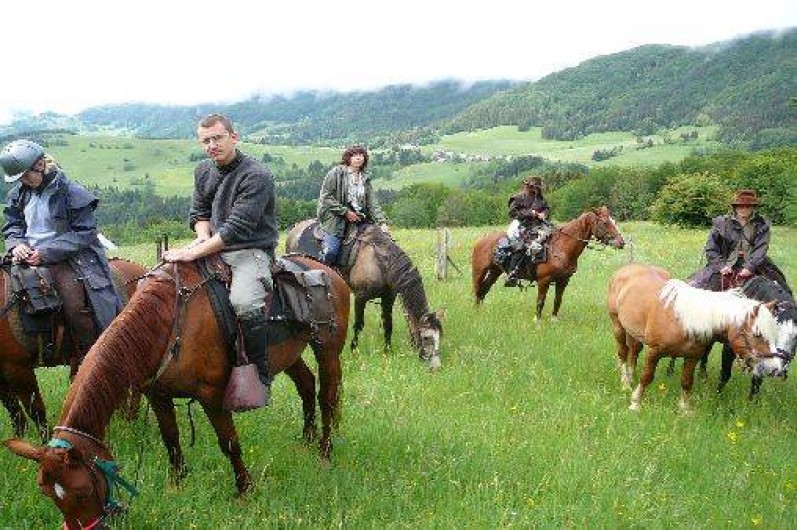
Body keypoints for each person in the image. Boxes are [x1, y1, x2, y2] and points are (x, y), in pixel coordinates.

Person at [162, 114, 278, 404]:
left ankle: (260, 372)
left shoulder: (256, 175)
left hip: (249, 248)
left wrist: (192, 252)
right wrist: (201, 237)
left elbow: (237, 229)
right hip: (212, 244)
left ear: (233, 137)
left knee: (244, 301)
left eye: (217, 138)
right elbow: (199, 213)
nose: (212, 146)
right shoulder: (203, 171)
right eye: (206, 141)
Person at [0, 139, 123, 373]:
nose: (23, 182)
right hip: (28, 254)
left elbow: (84, 232)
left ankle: (89, 360)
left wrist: (45, 253)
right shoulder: (20, 193)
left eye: (25, 176)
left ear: (39, 165)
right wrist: (17, 245)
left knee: (74, 306)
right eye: (19, 178)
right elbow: (13, 225)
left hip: (67, 257)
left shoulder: (71, 192)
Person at [688, 189, 791, 294]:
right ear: (735, 207)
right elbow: (711, 249)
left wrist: (750, 267)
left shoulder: (762, 225)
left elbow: (760, 250)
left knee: (781, 290)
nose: (743, 209)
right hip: (726, 260)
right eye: (740, 206)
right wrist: (721, 266)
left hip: (755, 262)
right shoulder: (721, 223)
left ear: (753, 207)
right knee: (694, 287)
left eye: (747, 206)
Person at [317, 145, 388, 267]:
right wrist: (345, 212)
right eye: (354, 155)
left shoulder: (364, 177)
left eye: (361, 155)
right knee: (331, 251)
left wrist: (382, 222)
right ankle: (321, 271)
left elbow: (372, 203)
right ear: (348, 158)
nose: (359, 158)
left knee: (383, 243)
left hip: (358, 217)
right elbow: (326, 198)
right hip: (335, 218)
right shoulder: (336, 173)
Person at [504, 175, 553, 287]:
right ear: (528, 186)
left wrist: (544, 214)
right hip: (521, 224)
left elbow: (547, 209)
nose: (536, 189)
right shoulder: (518, 198)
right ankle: (512, 274)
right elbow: (512, 213)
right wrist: (531, 213)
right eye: (534, 187)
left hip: (539, 225)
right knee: (521, 246)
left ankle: (549, 271)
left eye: (537, 187)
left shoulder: (541, 199)